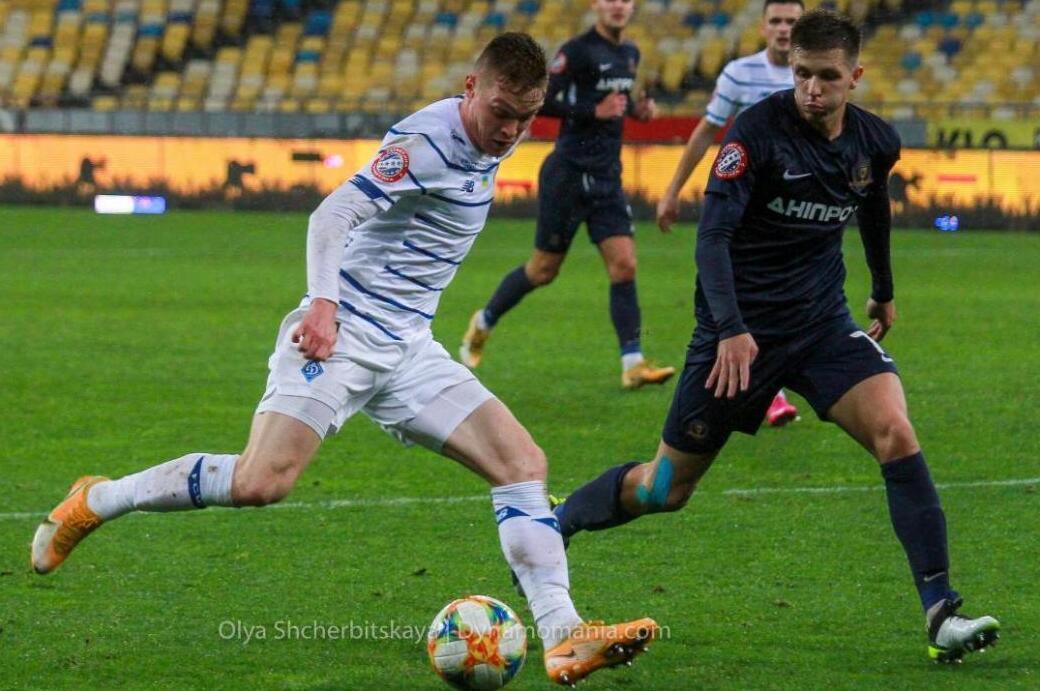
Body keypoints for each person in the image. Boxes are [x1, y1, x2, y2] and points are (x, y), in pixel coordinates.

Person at [30, 33, 657, 686]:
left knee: (523, 464)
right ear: (471, 88)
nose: (510, 131)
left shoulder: (496, 134)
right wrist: (324, 307)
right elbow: (331, 215)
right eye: (501, 112)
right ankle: (98, 499)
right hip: (343, 333)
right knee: (261, 482)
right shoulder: (426, 143)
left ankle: (562, 634)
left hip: (409, 347)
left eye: (525, 118)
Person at [550, 10, 1000, 663]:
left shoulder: (874, 140)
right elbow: (713, 237)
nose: (813, 89)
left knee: (896, 433)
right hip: (737, 338)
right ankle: (558, 521)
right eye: (802, 74)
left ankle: (940, 612)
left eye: (827, 77)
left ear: (855, 76)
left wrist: (883, 287)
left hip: (822, 326)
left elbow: (873, 207)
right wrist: (731, 329)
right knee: (662, 490)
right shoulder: (755, 134)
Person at [460, 0, 676, 390]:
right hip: (568, 174)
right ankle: (485, 320)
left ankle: (633, 363)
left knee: (624, 265)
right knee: (543, 270)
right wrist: (594, 111)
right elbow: (543, 102)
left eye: (625, 0)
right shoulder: (576, 51)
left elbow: (617, 105)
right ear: (596, 5)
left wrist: (637, 111)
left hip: (606, 176)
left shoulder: (630, 53)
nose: (618, 6)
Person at [658, 0, 804, 426]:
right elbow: (707, 130)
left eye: (792, 22)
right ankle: (771, 392)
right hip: (745, 202)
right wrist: (672, 190)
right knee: (746, 288)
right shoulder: (739, 73)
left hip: (794, 207)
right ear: (762, 27)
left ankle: (756, 379)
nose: (783, 29)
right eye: (776, 21)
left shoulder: (812, 78)